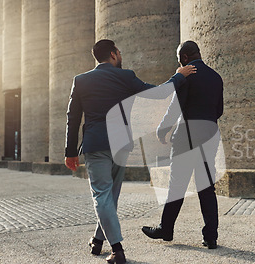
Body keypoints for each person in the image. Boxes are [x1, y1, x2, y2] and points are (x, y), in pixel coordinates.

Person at [64, 39, 196, 264]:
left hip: (96, 145)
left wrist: (70, 151)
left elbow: (73, 117)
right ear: (113, 54)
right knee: (110, 195)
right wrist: (179, 76)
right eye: (119, 51)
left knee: (102, 195)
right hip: (121, 144)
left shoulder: (81, 81)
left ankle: (117, 249)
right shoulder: (125, 77)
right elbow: (159, 94)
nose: (121, 55)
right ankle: (98, 240)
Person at [142, 40, 224, 249]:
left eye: (179, 59)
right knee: (206, 187)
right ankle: (211, 236)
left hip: (186, 137)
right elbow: (219, 111)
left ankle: (166, 229)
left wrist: (163, 129)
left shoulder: (186, 75)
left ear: (185, 58)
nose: (178, 63)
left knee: (177, 185)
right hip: (209, 135)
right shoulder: (216, 77)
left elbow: (175, 107)